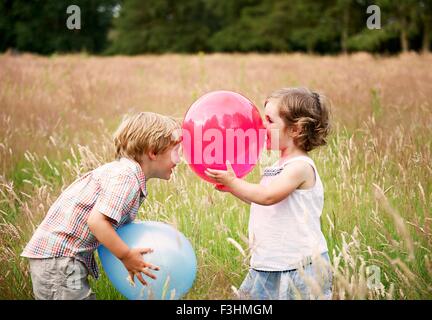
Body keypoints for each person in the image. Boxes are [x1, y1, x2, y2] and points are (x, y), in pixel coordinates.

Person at [21, 112, 182, 300]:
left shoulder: (126, 174)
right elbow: (97, 222)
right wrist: (126, 256)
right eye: (175, 152)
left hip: (59, 259)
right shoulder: (126, 178)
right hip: (59, 260)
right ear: (153, 152)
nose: (179, 160)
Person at [206, 87, 333, 300]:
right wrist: (233, 188)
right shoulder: (277, 165)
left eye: (269, 120)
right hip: (269, 262)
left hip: (299, 267)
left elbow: (267, 196)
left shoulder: (299, 167)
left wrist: (234, 182)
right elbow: (261, 200)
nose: (260, 126)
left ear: (296, 129)